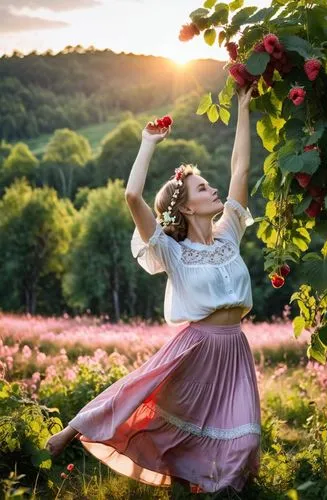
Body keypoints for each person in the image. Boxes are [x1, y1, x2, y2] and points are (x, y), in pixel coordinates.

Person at [45, 81, 261, 496]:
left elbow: (240, 168)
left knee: (244, 438)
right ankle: (75, 429)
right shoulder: (170, 251)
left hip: (234, 346)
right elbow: (132, 195)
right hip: (195, 345)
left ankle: (218, 486)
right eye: (202, 188)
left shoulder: (229, 233)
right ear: (185, 206)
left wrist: (243, 106)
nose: (213, 189)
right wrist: (148, 142)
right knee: (141, 393)